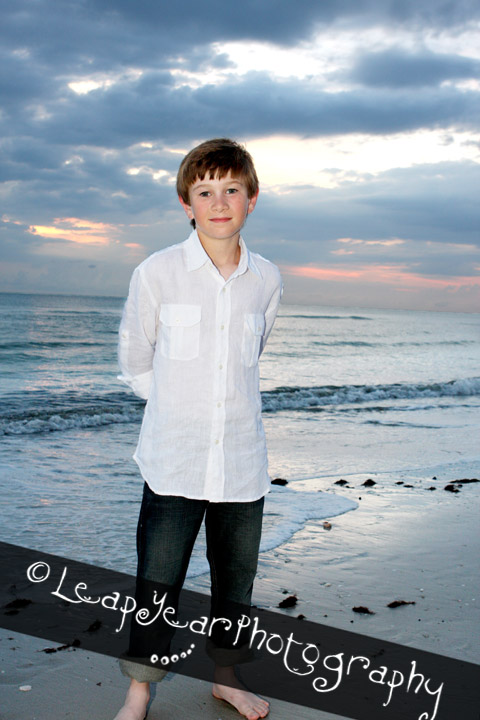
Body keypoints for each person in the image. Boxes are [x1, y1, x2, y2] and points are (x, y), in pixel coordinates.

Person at [114, 138, 283, 720]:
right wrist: (177, 410)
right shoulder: (157, 271)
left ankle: (226, 678)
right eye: (205, 191)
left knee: (236, 579)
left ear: (251, 199)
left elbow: (250, 355)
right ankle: (139, 691)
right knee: (158, 579)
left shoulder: (266, 278)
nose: (219, 202)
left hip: (241, 458)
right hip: (174, 458)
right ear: (186, 203)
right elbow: (135, 360)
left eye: (231, 189)